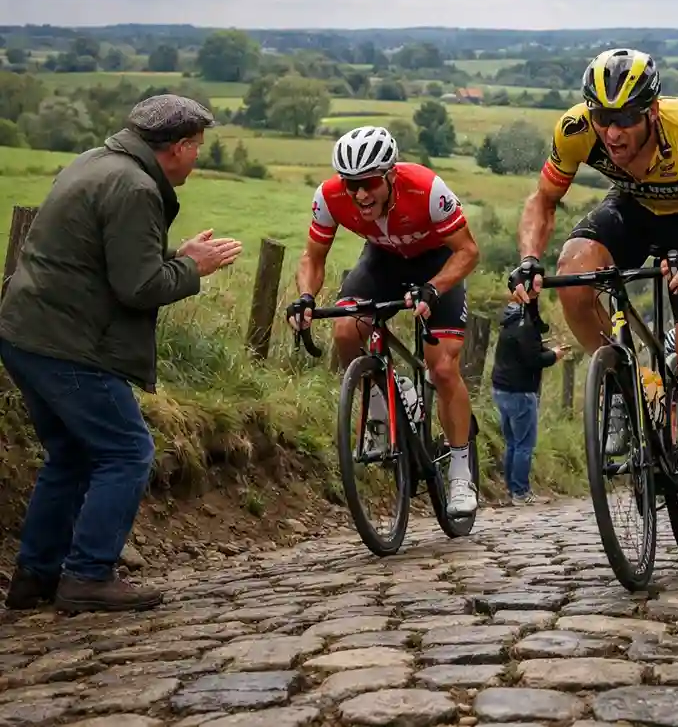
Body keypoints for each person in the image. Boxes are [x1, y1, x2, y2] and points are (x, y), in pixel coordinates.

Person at [0, 94, 241, 613]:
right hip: (71, 346)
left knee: (70, 454)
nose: (198, 156)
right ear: (175, 148)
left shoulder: (95, 161)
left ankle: (35, 575)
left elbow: (108, 262)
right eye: (197, 146)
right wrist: (194, 269)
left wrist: (179, 256)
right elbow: (138, 286)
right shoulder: (135, 188)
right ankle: (87, 574)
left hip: (25, 333)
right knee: (127, 453)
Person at [509, 48, 678, 544]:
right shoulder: (576, 130)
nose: (612, 132)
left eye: (624, 119)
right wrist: (529, 257)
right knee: (573, 276)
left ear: (650, 111)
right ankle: (623, 386)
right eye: (602, 117)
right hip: (633, 210)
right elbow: (543, 199)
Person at [286, 126, 481, 518]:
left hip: (436, 262)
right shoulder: (329, 197)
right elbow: (313, 258)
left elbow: (468, 252)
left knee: (443, 367)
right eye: (352, 183)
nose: (360, 194)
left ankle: (460, 471)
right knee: (345, 329)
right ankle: (384, 398)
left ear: (390, 174)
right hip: (383, 261)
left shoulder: (427, 188)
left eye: (370, 183)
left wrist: (433, 288)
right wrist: (306, 297)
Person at [491, 303, 569, 506]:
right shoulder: (525, 327)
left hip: (501, 390)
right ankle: (521, 492)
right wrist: (555, 355)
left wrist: (546, 349)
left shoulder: (509, 327)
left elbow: (525, 350)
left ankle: (511, 489)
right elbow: (533, 359)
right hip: (521, 393)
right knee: (524, 445)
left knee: (512, 443)